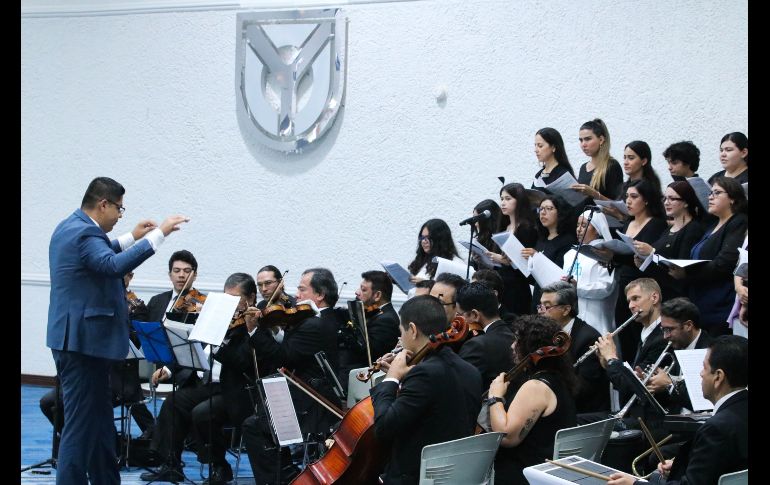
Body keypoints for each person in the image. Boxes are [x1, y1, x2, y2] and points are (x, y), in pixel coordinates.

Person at [46, 176, 188, 484]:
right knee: (82, 424)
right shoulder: (84, 233)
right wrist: (159, 235)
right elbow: (111, 266)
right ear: (103, 204)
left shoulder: (70, 226)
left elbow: (102, 252)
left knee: (98, 422)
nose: (120, 215)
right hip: (83, 344)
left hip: (81, 341)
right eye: (119, 209)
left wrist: (132, 236)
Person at [241, 268, 341, 484]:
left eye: (302, 289)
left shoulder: (315, 324)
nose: (296, 294)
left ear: (320, 294)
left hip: (312, 405)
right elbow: (294, 348)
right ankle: (285, 473)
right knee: (261, 412)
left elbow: (282, 357)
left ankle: (280, 479)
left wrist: (253, 331)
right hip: (307, 395)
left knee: (253, 426)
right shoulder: (323, 318)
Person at [370, 295, 483, 485]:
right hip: (456, 476)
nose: (400, 338)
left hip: (416, 476)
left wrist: (391, 379)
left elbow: (383, 428)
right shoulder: (470, 371)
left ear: (412, 330)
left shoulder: (425, 374)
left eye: (402, 332)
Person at [607, 335, 748, 485]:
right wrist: (683, 466)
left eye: (704, 368)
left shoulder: (716, 429)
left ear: (718, 377)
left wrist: (635, 484)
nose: (701, 373)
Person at [488, 314, 578, 484]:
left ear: (530, 347)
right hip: (544, 469)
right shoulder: (558, 378)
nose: (513, 345)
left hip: (524, 475)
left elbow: (507, 437)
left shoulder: (536, 387)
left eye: (517, 340)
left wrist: (495, 396)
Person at [670, 177, 748, 336]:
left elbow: (725, 263)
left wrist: (687, 273)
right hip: (701, 301)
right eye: (710, 193)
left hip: (719, 304)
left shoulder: (738, 222)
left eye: (717, 193)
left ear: (732, 198)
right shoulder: (712, 225)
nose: (710, 197)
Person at [610, 179, 667, 361]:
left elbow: (654, 256)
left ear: (647, 200)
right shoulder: (628, 224)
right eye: (627, 196)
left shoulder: (656, 224)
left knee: (640, 334)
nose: (628, 201)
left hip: (643, 284)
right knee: (624, 332)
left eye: (634, 197)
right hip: (625, 284)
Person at [595, 279, 668, 419]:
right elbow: (626, 382)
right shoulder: (646, 333)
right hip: (636, 413)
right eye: (629, 301)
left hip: (650, 417)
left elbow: (631, 388)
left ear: (654, 297)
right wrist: (606, 363)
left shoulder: (662, 337)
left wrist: (612, 358)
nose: (631, 306)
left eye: (635, 299)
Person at [538, 281, 610, 414]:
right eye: (540, 306)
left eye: (547, 307)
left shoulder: (588, 338)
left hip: (584, 412)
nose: (541, 312)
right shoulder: (547, 333)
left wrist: (547, 395)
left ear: (566, 309)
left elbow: (585, 387)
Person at [644, 298, 712, 414]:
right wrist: (653, 384)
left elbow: (705, 402)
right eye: (663, 330)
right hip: (675, 421)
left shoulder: (710, 352)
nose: (665, 336)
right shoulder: (675, 347)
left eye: (669, 329)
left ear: (688, 326)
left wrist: (669, 384)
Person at [337, 270, 400, 390]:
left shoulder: (386, 320)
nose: (357, 292)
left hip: (364, 382)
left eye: (363, 290)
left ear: (377, 296)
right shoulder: (374, 313)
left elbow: (367, 354)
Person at [561, 209, 618, 335]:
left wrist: (578, 288)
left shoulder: (604, 253)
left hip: (596, 314)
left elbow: (606, 287)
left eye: (584, 225)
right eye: (577, 225)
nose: (579, 229)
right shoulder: (569, 254)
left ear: (597, 230)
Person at [486, 182, 539, 315]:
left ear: (519, 201)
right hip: (502, 283)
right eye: (502, 199)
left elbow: (525, 262)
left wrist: (504, 261)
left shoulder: (527, 228)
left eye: (508, 199)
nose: (503, 203)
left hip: (517, 287)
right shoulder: (505, 227)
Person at [521, 194, 577, 313]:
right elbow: (534, 278)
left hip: (554, 302)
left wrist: (537, 258)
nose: (543, 212)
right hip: (538, 296)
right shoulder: (542, 239)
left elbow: (559, 275)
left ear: (560, 213)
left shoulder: (567, 241)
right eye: (541, 209)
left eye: (549, 208)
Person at [456, 282, 515, 388]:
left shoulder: (476, 346)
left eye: (460, 315)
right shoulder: (513, 336)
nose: (457, 321)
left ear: (474, 314)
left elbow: (458, 387)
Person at [570, 118, 624, 201]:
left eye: (588, 139)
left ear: (601, 140)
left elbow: (618, 204)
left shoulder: (612, 166)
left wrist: (594, 194)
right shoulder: (583, 167)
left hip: (602, 213)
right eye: (581, 140)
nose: (583, 144)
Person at [143, 250, 204, 323]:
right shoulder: (156, 301)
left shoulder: (202, 303)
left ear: (194, 275)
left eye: (187, 271)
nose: (181, 275)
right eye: (176, 270)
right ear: (170, 275)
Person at [407, 218, 462, 284]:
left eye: (428, 237)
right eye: (422, 237)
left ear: (440, 239)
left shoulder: (455, 264)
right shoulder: (423, 260)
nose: (424, 241)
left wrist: (426, 284)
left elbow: (451, 291)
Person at [468, 199, 503, 270]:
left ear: (487, 221)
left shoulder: (501, 239)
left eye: (477, 219)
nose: (475, 223)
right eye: (474, 218)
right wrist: (475, 260)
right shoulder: (480, 238)